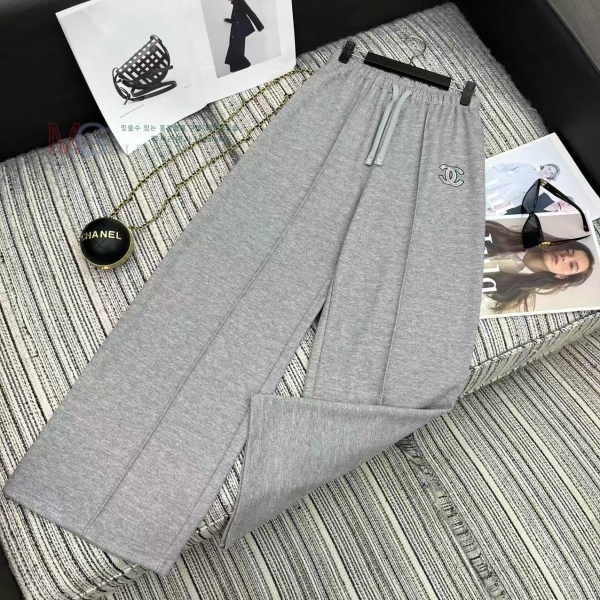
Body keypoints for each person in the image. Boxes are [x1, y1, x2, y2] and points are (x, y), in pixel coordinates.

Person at [483, 220, 594, 313]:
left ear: (561, 276)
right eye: (569, 251)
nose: (565, 257)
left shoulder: (513, 296)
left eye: (571, 265)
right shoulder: (509, 237)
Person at [485, 162, 561, 215]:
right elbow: (504, 166)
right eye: (549, 169)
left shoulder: (536, 188)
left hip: (497, 196)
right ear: (545, 166)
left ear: (551, 177)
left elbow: (520, 199)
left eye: (551, 173)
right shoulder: (527, 166)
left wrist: (501, 207)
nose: (548, 172)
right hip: (491, 182)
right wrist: (493, 172)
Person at [224, 0, 264, 73]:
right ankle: (236, 68)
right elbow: (237, 17)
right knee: (235, 49)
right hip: (236, 29)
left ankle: (245, 64)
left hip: (241, 30)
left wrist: (259, 26)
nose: (229, 1)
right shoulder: (236, 3)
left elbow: (250, 12)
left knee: (236, 49)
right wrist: (229, 20)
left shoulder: (240, 1)